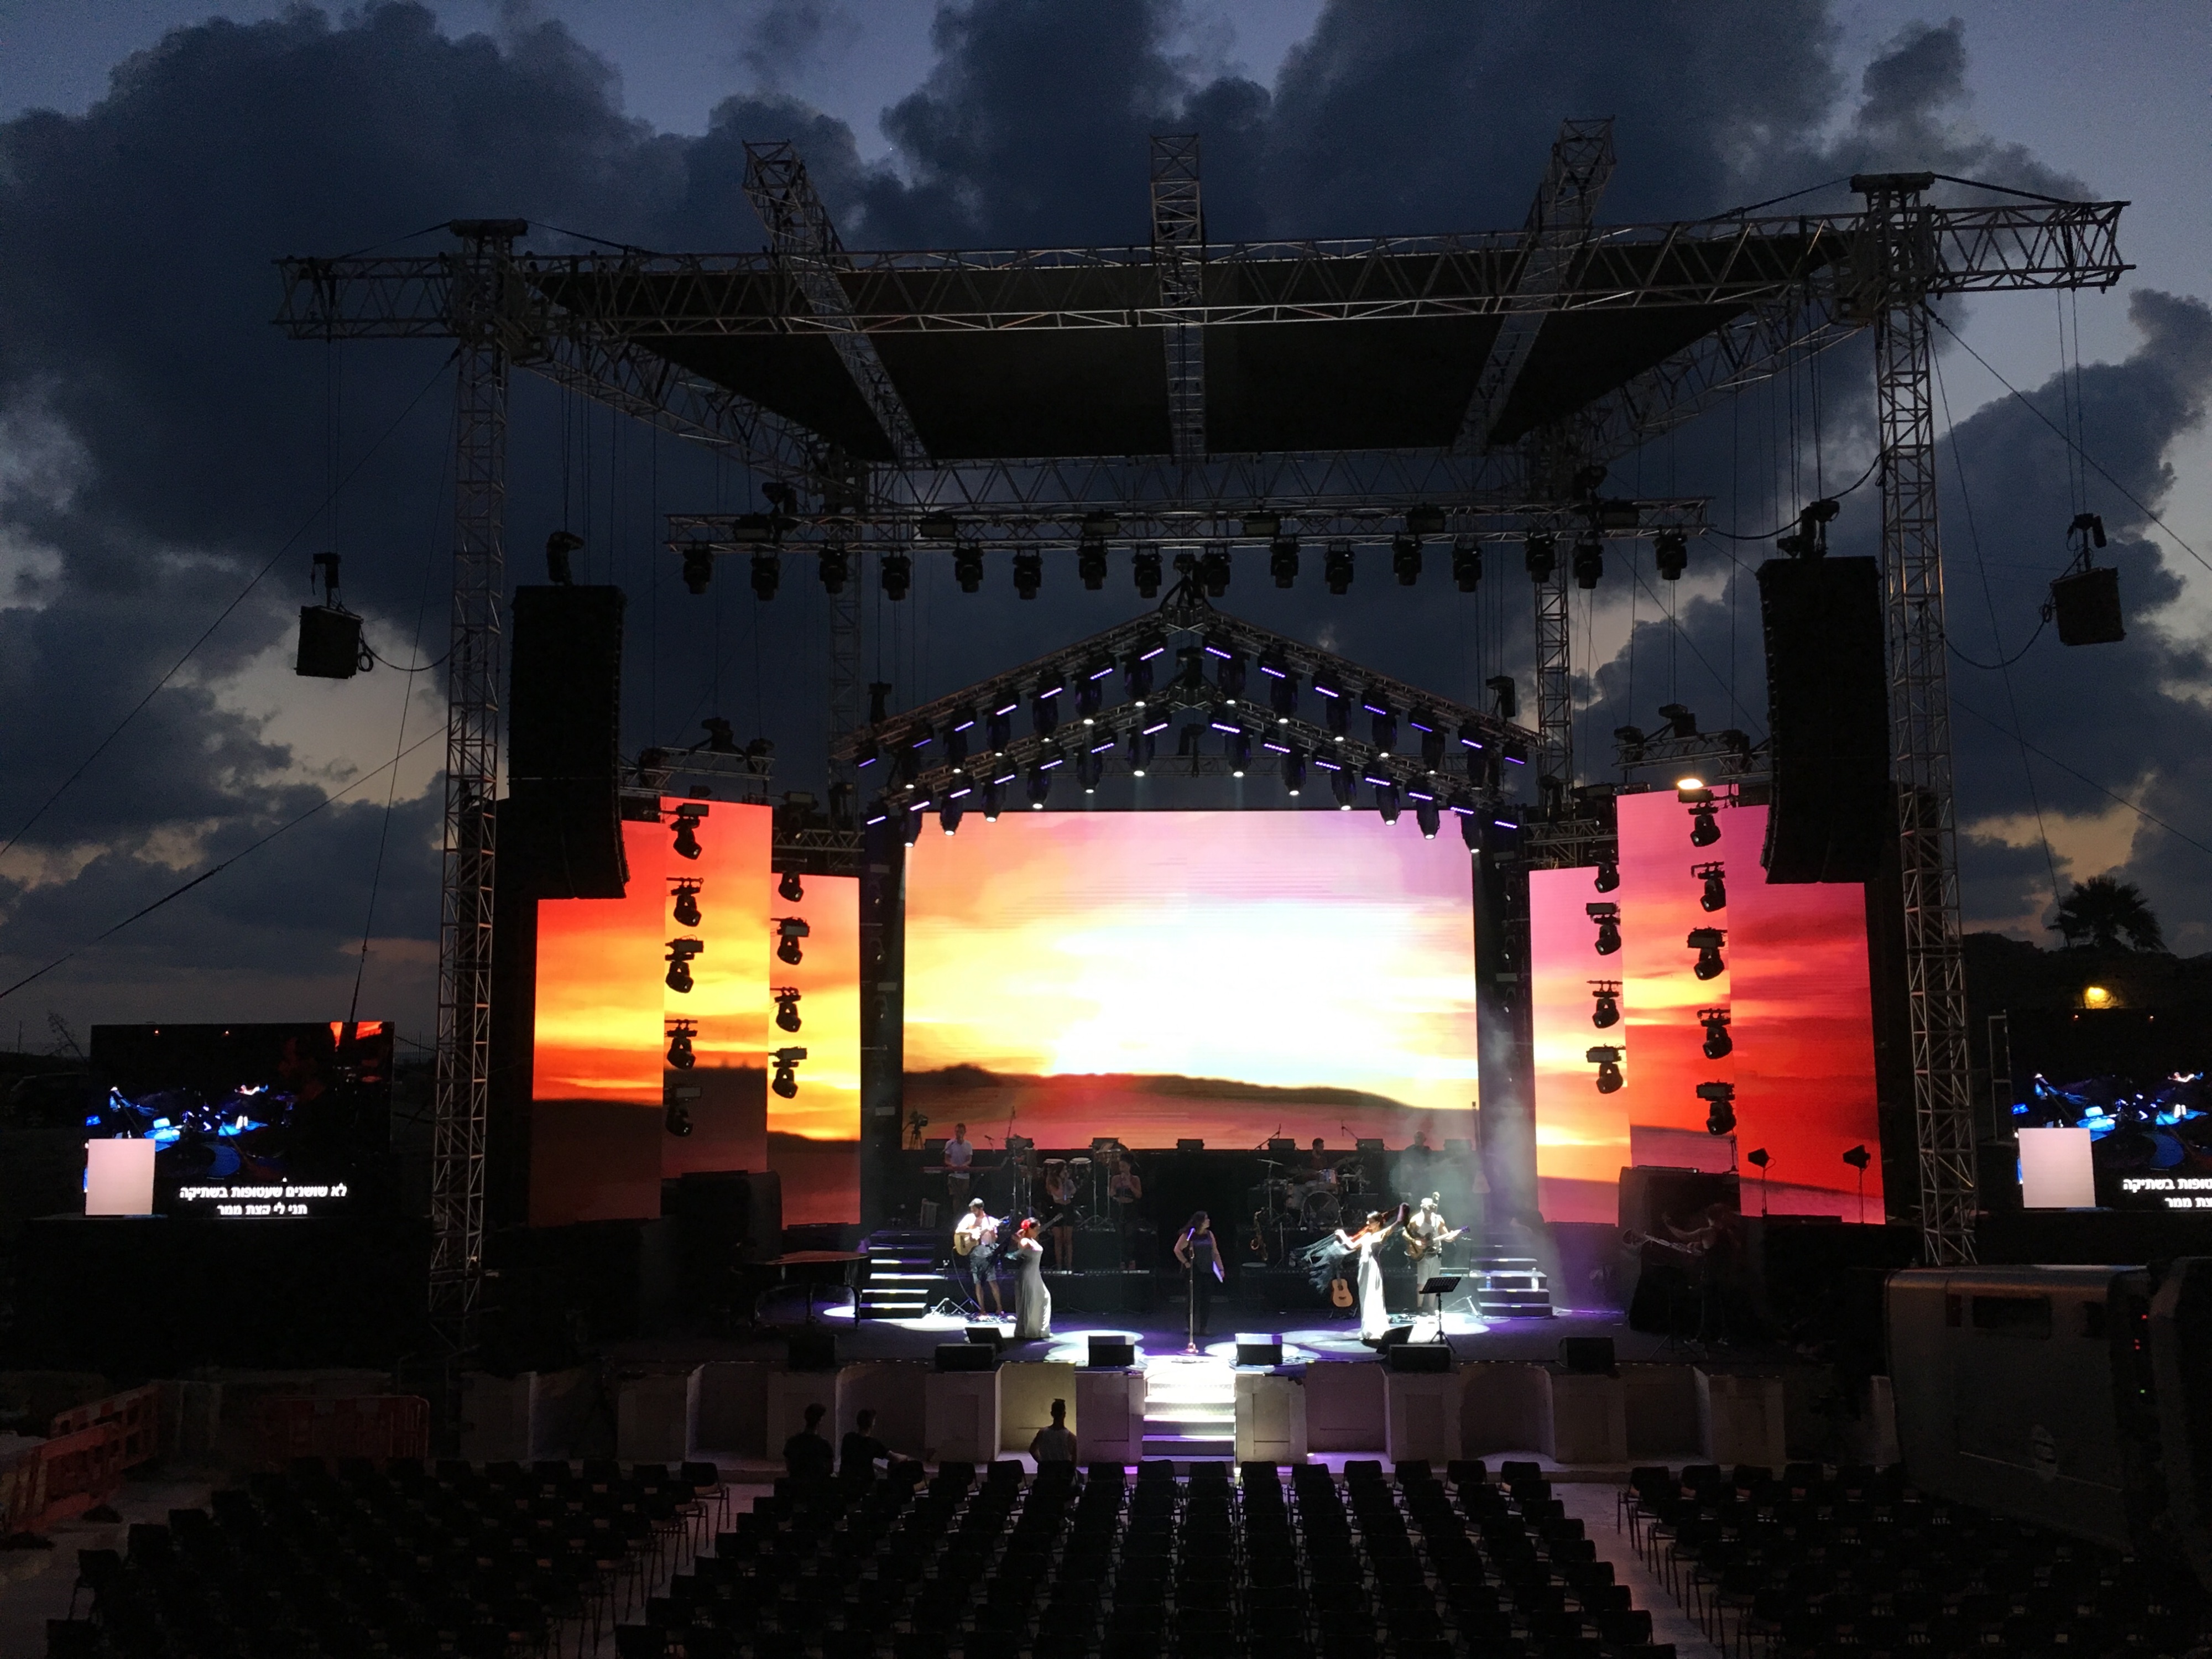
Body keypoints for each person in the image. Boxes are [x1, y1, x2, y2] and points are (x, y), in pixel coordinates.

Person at [1334, 1205, 1410, 1343]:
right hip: (1363, 1269)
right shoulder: (1367, 1235)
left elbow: (1398, 1222)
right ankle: (1367, 1329)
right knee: (1365, 1298)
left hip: (1372, 1268)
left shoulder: (1382, 1234)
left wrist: (1402, 1209)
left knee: (1373, 1297)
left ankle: (1375, 1329)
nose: (1367, 1224)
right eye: (1367, 1221)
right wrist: (1342, 1235)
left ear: (1378, 1223)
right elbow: (1352, 1246)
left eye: (1370, 1221)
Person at [1402, 1193, 1465, 1322]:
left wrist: (1453, 1236)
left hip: (1436, 1253)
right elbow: (1405, 1233)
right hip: (1422, 1255)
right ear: (1422, 1208)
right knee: (1422, 1283)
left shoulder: (1438, 1219)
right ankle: (1419, 1308)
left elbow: (1447, 1237)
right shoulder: (1416, 1219)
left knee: (1433, 1282)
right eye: (1427, 1210)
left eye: (1431, 1210)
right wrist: (1415, 1241)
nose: (1429, 1213)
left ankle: (1431, 1308)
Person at [1175, 1211, 1227, 1350]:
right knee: (1193, 1298)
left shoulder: (1210, 1235)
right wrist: (1186, 1263)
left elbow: (1215, 1252)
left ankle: (1204, 1327)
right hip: (1194, 1270)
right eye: (1206, 1219)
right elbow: (1178, 1249)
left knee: (1206, 1299)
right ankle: (1190, 1326)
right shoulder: (1190, 1234)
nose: (1209, 1221)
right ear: (1200, 1222)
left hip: (1208, 1269)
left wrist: (1221, 1269)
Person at [953, 1197, 1005, 1317]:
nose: (973, 1212)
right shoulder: (969, 1218)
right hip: (975, 1253)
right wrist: (971, 1232)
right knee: (978, 1283)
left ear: (981, 1209)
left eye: (975, 1210)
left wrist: (991, 1232)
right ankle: (982, 1310)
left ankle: (999, 1308)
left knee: (992, 1281)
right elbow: (958, 1231)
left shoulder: (991, 1221)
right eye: (972, 1210)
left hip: (987, 1253)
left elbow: (994, 1239)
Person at [1011, 1217, 1052, 1340]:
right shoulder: (1026, 1241)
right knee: (1030, 1300)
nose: (1038, 1231)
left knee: (1045, 1297)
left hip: (1035, 1274)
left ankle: (1041, 1329)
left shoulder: (1033, 1240)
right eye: (1036, 1229)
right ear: (1029, 1229)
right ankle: (1028, 1331)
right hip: (1028, 1274)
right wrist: (1020, 1239)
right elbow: (1020, 1246)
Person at [784, 1402, 834, 1481]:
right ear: (820, 1420)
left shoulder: (792, 1442)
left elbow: (789, 1467)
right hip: (818, 1486)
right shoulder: (824, 1445)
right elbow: (830, 1469)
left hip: (797, 1485)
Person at [1109, 1155, 1144, 1269]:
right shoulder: (1115, 1179)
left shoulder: (1135, 1179)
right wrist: (1113, 1192)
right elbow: (1111, 1193)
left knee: (1130, 1236)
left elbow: (1139, 1195)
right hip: (1119, 1209)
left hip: (1131, 1209)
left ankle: (1131, 1260)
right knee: (1120, 1237)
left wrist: (1130, 1185)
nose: (1122, 1169)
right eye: (1120, 1166)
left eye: (1124, 1166)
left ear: (1129, 1167)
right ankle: (1122, 1261)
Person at [1042, 1160, 1077, 1271]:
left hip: (1068, 1208)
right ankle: (1059, 1265)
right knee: (1059, 1239)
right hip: (1057, 1208)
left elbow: (1074, 1191)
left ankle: (1069, 1265)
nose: (1066, 1172)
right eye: (1064, 1170)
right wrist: (1062, 1182)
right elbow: (1060, 1194)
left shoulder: (1068, 1181)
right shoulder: (1053, 1181)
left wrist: (1067, 1181)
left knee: (1068, 1240)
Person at [839, 1407, 888, 1482]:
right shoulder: (873, 1443)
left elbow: (859, 1461)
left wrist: (878, 1467)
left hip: (846, 1483)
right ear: (871, 1424)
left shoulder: (848, 1438)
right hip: (866, 1484)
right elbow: (893, 1457)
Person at [1031, 1397, 1077, 1464]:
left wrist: (1041, 1463)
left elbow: (1032, 1450)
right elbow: (1074, 1460)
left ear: (1052, 1414)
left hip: (1046, 1470)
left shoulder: (1041, 1433)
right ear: (1064, 1414)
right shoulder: (1071, 1438)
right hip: (1063, 1471)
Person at [945, 1121, 974, 1207]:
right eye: (957, 1132)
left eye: (961, 1132)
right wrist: (952, 1165)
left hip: (964, 1176)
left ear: (964, 1132)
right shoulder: (950, 1144)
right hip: (953, 1175)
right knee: (956, 1197)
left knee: (964, 1197)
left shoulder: (968, 1145)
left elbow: (969, 1160)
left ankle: (962, 1213)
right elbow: (946, 1160)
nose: (959, 1134)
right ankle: (956, 1214)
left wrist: (965, 1165)